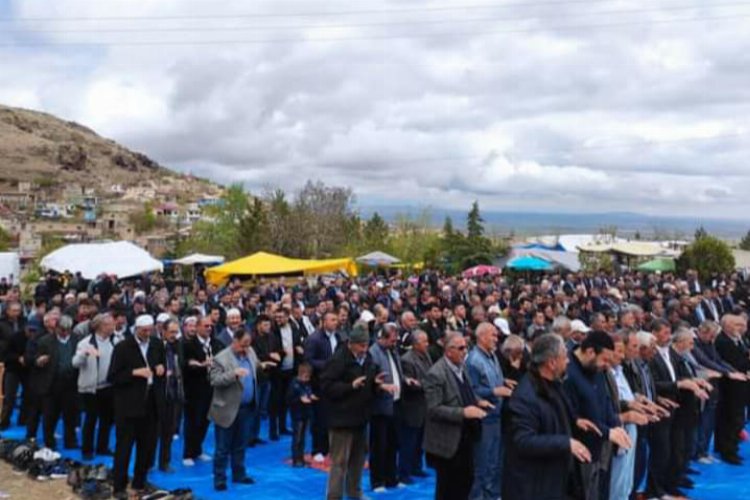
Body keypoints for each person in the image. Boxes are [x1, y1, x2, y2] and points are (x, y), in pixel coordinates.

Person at [504, 333, 592, 500]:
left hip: (557, 480)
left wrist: (575, 421)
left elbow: (557, 414)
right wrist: (566, 443)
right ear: (552, 363)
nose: (568, 361)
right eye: (564, 357)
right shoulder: (525, 396)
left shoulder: (554, 384)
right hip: (535, 487)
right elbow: (523, 440)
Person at [321, 321, 394, 500]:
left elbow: (369, 382)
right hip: (341, 419)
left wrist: (377, 385)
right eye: (361, 345)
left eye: (367, 344)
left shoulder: (368, 358)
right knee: (339, 463)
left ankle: (355, 492)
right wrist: (349, 386)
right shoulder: (338, 360)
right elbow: (326, 386)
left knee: (358, 460)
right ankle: (334, 496)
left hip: (361, 418)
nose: (364, 348)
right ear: (351, 343)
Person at [423, 331, 494, 500]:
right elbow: (433, 409)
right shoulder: (436, 374)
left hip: (465, 437)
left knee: (466, 481)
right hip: (448, 441)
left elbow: (465, 392)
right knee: (448, 488)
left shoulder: (462, 368)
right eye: (461, 348)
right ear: (449, 351)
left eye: (466, 347)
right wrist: (463, 412)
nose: (465, 351)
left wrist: (478, 401)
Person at [564, 330, 632, 500]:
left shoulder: (597, 370)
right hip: (576, 454)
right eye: (605, 360)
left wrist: (615, 424)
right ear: (590, 352)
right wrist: (608, 432)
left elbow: (605, 402)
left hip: (598, 449)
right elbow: (574, 417)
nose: (608, 365)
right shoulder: (567, 373)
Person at [108, 314, 166, 499]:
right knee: (124, 447)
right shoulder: (123, 347)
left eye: (150, 330)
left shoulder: (157, 344)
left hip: (150, 403)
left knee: (146, 447)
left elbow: (161, 364)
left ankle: (140, 482)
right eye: (144, 331)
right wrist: (134, 372)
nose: (147, 334)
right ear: (136, 330)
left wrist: (160, 368)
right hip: (128, 405)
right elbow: (113, 377)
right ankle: (119, 485)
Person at [208, 327, 263, 491]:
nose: (246, 348)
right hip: (227, 409)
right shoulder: (221, 358)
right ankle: (220, 478)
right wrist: (233, 374)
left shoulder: (250, 352)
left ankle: (239, 474)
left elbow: (256, 367)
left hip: (246, 408)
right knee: (223, 447)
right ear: (235, 341)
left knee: (241, 444)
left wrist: (262, 365)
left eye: (248, 345)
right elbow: (214, 380)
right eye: (243, 345)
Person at [466, 322, 512, 500]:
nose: (496, 338)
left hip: (496, 416)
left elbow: (492, 380)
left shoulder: (492, 356)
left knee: (494, 464)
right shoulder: (473, 360)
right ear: (482, 336)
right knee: (482, 465)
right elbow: (471, 390)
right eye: (493, 335)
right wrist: (494, 391)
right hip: (483, 419)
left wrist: (503, 381)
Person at [72, 312, 118, 460]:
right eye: (109, 324)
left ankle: (102, 447)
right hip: (91, 388)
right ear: (99, 326)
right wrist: (85, 354)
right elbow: (75, 363)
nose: (112, 327)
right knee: (91, 419)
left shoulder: (115, 341)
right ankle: (87, 449)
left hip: (108, 386)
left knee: (107, 420)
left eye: (113, 324)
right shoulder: (85, 343)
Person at [33, 314, 80, 450]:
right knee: (50, 416)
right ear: (56, 328)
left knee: (70, 415)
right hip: (52, 383)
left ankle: (70, 441)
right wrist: (39, 361)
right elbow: (35, 358)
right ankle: (49, 442)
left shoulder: (76, 341)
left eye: (68, 330)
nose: (65, 333)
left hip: (70, 383)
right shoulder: (45, 341)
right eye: (62, 329)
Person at [368, 322, 405, 492]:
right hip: (380, 407)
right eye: (391, 340)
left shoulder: (393, 351)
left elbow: (397, 371)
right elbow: (369, 380)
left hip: (395, 403)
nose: (394, 343)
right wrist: (381, 386)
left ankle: (392, 478)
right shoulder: (373, 353)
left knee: (393, 444)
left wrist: (405, 381)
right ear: (382, 338)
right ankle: (378, 481)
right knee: (379, 446)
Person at [182, 316, 223, 466]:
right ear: (198, 327)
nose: (209, 329)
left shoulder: (216, 343)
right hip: (194, 388)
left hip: (211, 387)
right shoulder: (188, 344)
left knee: (205, 421)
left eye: (210, 326)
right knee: (192, 421)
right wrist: (198, 364)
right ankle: (188, 453)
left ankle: (197, 449)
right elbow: (185, 363)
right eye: (205, 326)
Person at [304, 311, 341, 461]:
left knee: (331, 417)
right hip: (318, 383)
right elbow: (308, 360)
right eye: (332, 320)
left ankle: (329, 447)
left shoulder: (338, 337)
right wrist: (329, 365)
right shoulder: (314, 339)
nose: (335, 322)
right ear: (323, 322)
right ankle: (317, 449)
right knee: (319, 418)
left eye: (336, 320)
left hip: (334, 384)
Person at [715, 314, 750, 465]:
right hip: (730, 388)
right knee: (731, 419)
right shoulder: (722, 341)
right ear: (727, 325)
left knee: (736, 418)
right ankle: (728, 451)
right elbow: (734, 362)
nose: (741, 328)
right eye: (737, 325)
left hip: (741, 386)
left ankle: (730, 446)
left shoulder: (739, 339)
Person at [399, 330, 432, 483]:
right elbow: (411, 384)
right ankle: (404, 472)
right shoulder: (407, 360)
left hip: (424, 406)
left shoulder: (426, 356)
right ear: (416, 344)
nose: (427, 344)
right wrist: (426, 385)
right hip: (412, 407)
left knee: (420, 441)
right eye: (424, 342)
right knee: (409, 442)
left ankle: (416, 467)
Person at [158, 319, 185, 472]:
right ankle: (148, 463)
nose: (174, 335)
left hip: (173, 392)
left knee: (168, 431)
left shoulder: (178, 347)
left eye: (176, 332)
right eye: (171, 332)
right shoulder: (155, 345)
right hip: (157, 394)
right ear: (164, 331)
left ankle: (164, 462)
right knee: (152, 432)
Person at [287, 362, 316, 467]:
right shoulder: (294, 384)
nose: (307, 379)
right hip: (297, 414)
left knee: (303, 437)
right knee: (297, 437)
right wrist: (299, 399)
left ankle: (301, 457)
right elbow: (289, 399)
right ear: (300, 374)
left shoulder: (307, 384)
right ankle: (296, 459)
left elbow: (308, 392)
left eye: (308, 377)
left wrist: (311, 396)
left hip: (306, 413)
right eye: (305, 377)